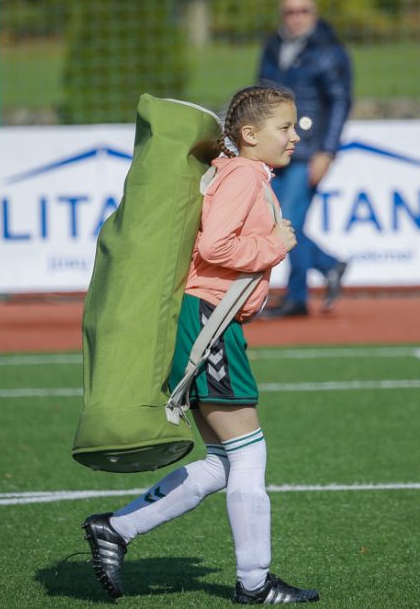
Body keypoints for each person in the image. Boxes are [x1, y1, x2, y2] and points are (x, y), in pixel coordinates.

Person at [82, 84, 320, 604]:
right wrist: (272, 246)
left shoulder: (248, 173)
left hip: (211, 319)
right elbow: (214, 245)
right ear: (250, 134)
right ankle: (254, 582)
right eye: (285, 127)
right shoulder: (243, 175)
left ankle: (115, 530)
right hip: (210, 320)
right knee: (250, 454)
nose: (294, 137)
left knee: (223, 462)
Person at [258, 0, 353, 318]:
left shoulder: (329, 51)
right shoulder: (274, 46)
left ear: (314, 13)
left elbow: (340, 102)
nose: (296, 18)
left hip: (306, 149)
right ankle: (330, 265)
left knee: (287, 223)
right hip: (276, 148)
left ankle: (297, 297)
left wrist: (327, 151)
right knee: (274, 221)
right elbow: (261, 95)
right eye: (289, 12)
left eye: (303, 11)